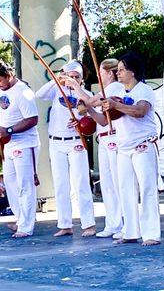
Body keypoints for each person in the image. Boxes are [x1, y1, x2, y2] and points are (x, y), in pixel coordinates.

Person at [101, 51, 161, 246]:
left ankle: (151, 233)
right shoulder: (119, 93)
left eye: (121, 70)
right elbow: (105, 118)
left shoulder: (143, 90)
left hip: (143, 144)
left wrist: (115, 105)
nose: (118, 74)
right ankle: (130, 231)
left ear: (132, 72)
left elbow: (140, 111)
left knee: (147, 188)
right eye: (117, 70)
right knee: (125, 188)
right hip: (123, 146)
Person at [35, 60, 96, 237]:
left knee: (80, 182)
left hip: (76, 141)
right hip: (56, 141)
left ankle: (88, 224)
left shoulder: (85, 93)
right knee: (61, 183)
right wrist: (57, 80)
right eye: (71, 76)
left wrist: (80, 121)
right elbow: (39, 94)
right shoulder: (56, 89)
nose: (73, 79)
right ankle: (65, 224)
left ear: (82, 79)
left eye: (77, 77)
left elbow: (88, 107)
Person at [66, 58, 125, 239]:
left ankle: (125, 223)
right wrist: (88, 112)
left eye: (101, 71)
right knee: (107, 184)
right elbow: (101, 119)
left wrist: (75, 87)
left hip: (115, 139)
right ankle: (113, 224)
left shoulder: (114, 88)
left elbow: (90, 100)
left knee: (117, 182)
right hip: (104, 138)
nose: (99, 75)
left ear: (109, 72)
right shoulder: (105, 90)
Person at [0, 60, 40, 238]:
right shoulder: (2, 89)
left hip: (24, 143)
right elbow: (2, 113)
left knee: (25, 186)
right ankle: (20, 219)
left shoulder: (23, 92)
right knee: (12, 185)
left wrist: (9, 130)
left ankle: (27, 226)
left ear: (9, 75)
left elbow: (32, 119)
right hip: (7, 144)